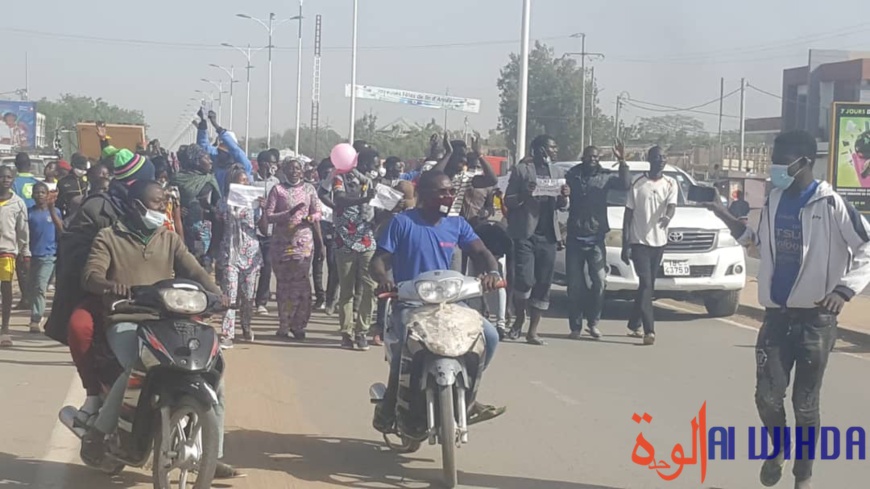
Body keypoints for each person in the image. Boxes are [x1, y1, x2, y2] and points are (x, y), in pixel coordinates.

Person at [706, 130, 870, 489]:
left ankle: (802, 477)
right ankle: (778, 447)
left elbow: (866, 246)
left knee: (805, 404)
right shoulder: (775, 200)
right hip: (777, 316)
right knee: (766, 396)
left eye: (782, 161)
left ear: (804, 161)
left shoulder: (831, 204)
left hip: (816, 320)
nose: (775, 168)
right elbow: (757, 244)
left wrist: (844, 290)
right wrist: (722, 213)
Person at [79, 179, 241, 478]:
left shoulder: (168, 238)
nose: (163, 208)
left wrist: (218, 294)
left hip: (168, 318)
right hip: (126, 319)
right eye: (157, 203)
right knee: (136, 366)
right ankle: (99, 433)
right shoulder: (108, 237)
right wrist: (109, 285)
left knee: (213, 372)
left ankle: (211, 454)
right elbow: (91, 275)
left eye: (165, 202)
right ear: (137, 205)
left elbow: (194, 269)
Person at [370, 170, 505, 434]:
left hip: (450, 302)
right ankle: (390, 402)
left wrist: (492, 272)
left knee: (489, 336)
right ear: (423, 195)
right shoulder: (401, 223)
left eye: (451, 191)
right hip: (411, 303)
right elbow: (378, 261)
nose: (448, 196)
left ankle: (470, 394)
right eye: (442, 192)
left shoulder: (457, 224)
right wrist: (384, 280)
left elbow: (481, 252)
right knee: (402, 349)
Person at [44, 149, 156, 426]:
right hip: (105, 293)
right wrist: (104, 279)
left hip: (153, 296)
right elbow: (75, 256)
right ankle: (93, 394)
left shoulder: (158, 210)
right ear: (134, 184)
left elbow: (183, 255)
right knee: (79, 326)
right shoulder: (97, 209)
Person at [504, 135, 569, 345]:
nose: (555, 150)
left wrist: (564, 196)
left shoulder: (558, 173)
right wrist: (524, 194)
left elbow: (562, 206)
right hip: (526, 234)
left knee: (543, 283)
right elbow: (508, 200)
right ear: (541, 149)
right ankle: (519, 317)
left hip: (548, 235)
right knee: (525, 280)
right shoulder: (522, 171)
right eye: (552, 147)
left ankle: (533, 331)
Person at [564, 144, 631, 339]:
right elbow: (561, 197)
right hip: (575, 237)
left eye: (596, 157)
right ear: (583, 158)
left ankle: (593, 323)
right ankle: (575, 326)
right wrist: (564, 194)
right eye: (589, 156)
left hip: (596, 237)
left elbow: (625, 184)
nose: (593, 159)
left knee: (600, 281)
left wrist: (622, 161)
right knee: (574, 285)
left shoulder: (605, 176)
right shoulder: (572, 175)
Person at [621, 146, 677, 346]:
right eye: (657, 157)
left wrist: (667, 217)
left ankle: (633, 322)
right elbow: (628, 214)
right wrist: (625, 243)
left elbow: (672, 205)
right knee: (645, 283)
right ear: (649, 159)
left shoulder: (670, 183)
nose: (661, 160)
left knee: (648, 285)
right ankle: (649, 330)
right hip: (639, 242)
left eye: (664, 157)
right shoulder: (638, 183)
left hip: (659, 242)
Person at [265, 159, 324, 340]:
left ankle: (299, 325)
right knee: (284, 285)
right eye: (290, 169)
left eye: (297, 168)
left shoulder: (309, 189)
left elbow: (318, 211)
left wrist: (311, 218)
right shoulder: (277, 190)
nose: (294, 172)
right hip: (281, 244)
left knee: (302, 285)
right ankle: (284, 324)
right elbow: (269, 216)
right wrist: (289, 214)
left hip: (303, 243)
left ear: (302, 171)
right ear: (284, 171)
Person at [332, 149, 379, 351]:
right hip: (345, 238)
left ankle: (362, 331)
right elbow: (340, 199)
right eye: (374, 164)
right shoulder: (340, 177)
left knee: (370, 287)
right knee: (347, 289)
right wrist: (363, 199)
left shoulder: (372, 182)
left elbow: (378, 207)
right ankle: (346, 332)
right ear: (363, 163)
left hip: (366, 238)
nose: (376, 168)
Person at [214, 167, 263, 348]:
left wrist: (263, 209)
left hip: (250, 254)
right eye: (242, 180)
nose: (246, 183)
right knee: (229, 294)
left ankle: (246, 325)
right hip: (230, 254)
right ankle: (227, 333)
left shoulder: (254, 204)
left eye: (247, 180)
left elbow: (262, 227)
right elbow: (218, 226)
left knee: (248, 295)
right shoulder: (222, 202)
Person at [371, 156, 417, 345]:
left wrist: (408, 205)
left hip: (406, 246)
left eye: (400, 167)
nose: (398, 170)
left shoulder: (410, 195)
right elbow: (376, 218)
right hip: (386, 243)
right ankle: (380, 327)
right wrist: (391, 210)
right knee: (386, 287)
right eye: (395, 167)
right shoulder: (381, 188)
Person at [171, 144, 221, 269]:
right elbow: (167, 202)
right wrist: (176, 210)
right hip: (181, 228)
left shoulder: (209, 179)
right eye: (206, 158)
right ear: (196, 161)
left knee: (202, 266)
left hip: (204, 230)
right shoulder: (177, 179)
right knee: (184, 264)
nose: (210, 161)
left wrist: (209, 208)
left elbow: (218, 207)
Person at [26, 182, 62, 333]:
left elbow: (61, 231)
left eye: (42, 192)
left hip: (49, 256)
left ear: (47, 195)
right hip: (32, 255)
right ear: (32, 195)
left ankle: (35, 319)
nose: (39, 195)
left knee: (40, 287)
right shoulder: (29, 213)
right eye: (37, 192)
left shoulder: (55, 212)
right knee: (32, 288)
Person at [0, 166, 29, 347]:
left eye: (8, 177)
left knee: (6, 288)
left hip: (7, 251)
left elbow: (23, 231)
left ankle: (5, 329)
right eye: (2, 176)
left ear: (13, 179)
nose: (5, 180)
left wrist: (25, 252)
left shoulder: (18, 204)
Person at [197, 109, 253, 192]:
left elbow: (235, 149)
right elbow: (203, 148)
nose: (221, 151)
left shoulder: (243, 165)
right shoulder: (216, 157)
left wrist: (217, 126)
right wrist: (203, 123)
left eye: (225, 147)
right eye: (220, 147)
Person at [254, 150, 281, 315]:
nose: (273, 166)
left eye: (275, 163)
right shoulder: (250, 181)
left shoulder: (277, 183)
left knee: (267, 266)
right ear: (262, 164)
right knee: (250, 268)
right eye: (271, 163)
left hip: (270, 232)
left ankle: (261, 301)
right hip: (251, 231)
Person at [12, 152, 39, 310]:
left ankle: (26, 297)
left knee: (22, 261)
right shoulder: (37, 183)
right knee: (35, 260)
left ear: (16, 166)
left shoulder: (13, 184)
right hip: (36, 225)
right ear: (30, 165)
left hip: (20, 226)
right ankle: (34, 294)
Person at [315, 158, 340, 314]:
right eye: (326, 173)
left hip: (335, 227)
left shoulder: (339, 189)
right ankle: (320, 297)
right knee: (317, 263)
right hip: (318, 227)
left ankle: (331, 299)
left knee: (333, 265)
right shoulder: (315, 189)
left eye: (331, 172)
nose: (329, 175)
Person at [57, 153, 89, 217]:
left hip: (87, 214)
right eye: (80, 168)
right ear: (73, 165)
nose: (82, 171)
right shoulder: (63, 182)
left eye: (84, 169)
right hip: (70, 215)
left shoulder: (88, 180)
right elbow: (59, 203)